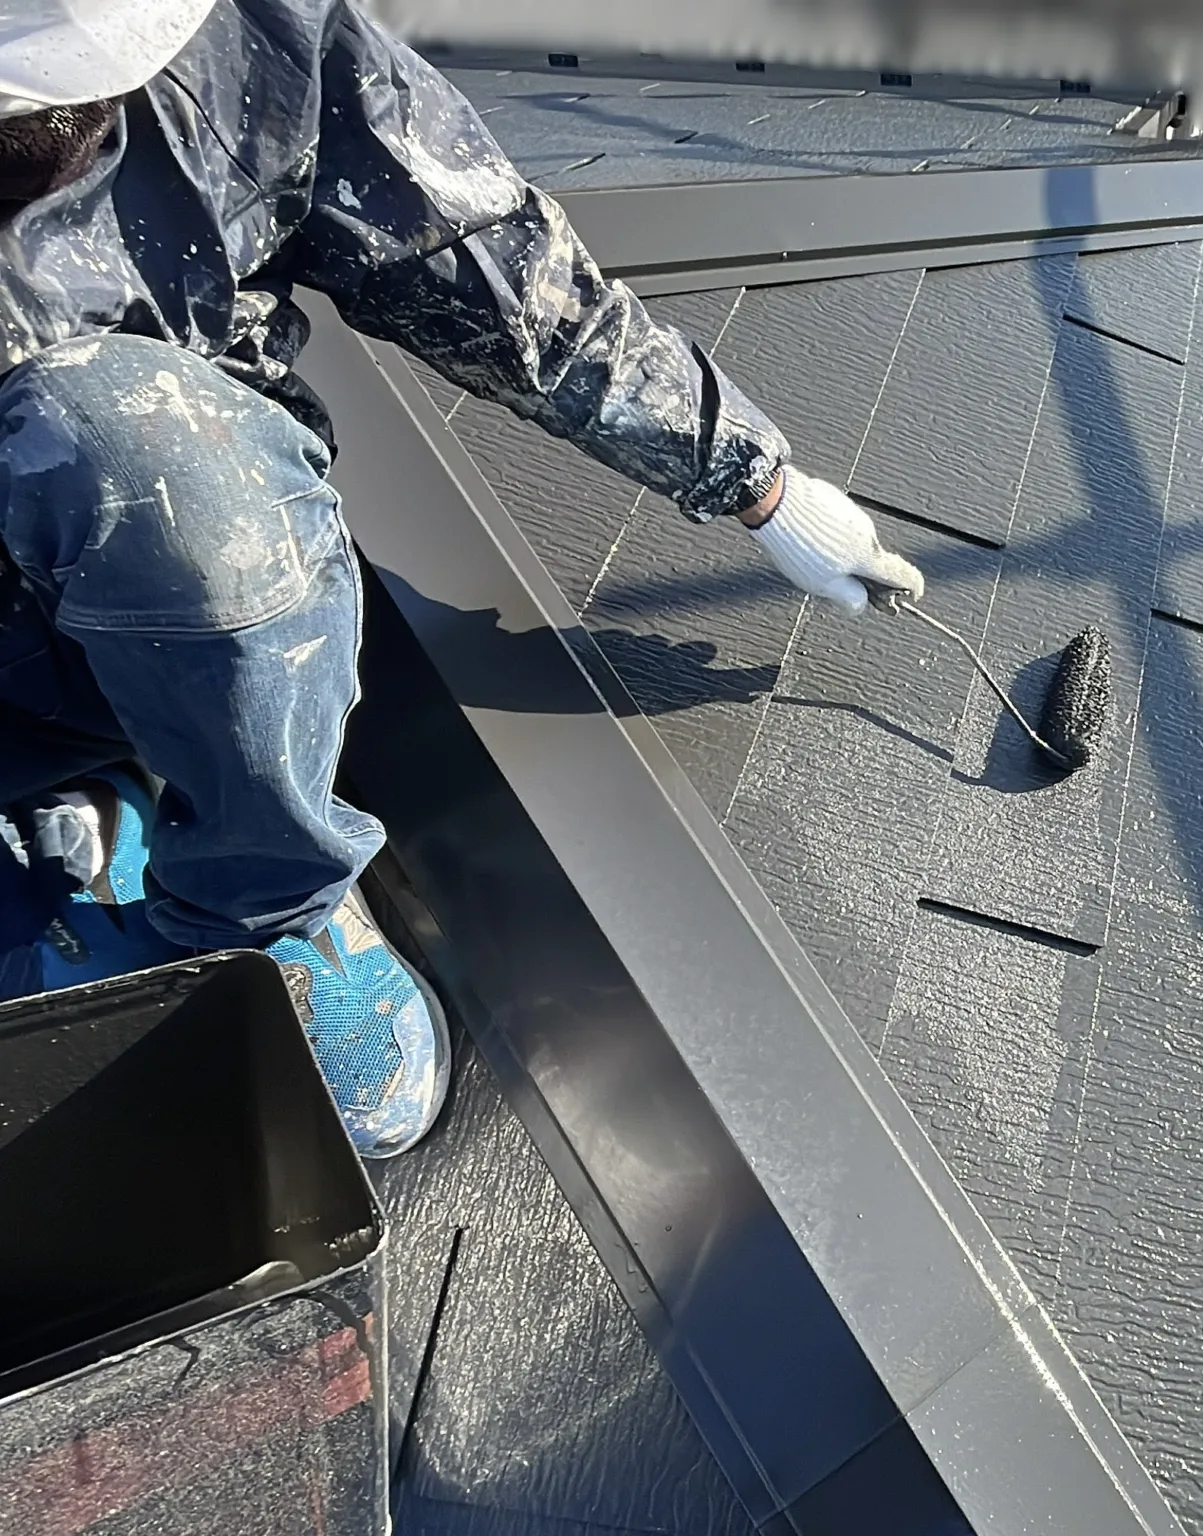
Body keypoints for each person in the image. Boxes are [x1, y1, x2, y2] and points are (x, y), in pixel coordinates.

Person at [0, 0, 924, 1157]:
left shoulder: (255, 40)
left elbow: (497, 275)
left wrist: (760, 486)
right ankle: (74, 793)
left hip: (134, 591)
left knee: (137, 441)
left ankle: (253, 902)